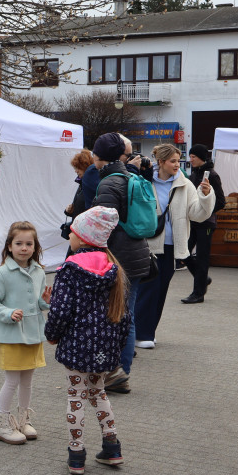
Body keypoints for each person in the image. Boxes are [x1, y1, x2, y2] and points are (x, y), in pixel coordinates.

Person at [45, 206, 130, 475]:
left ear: (82, 238)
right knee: (99, 392)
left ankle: (76, 453)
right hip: (104, 347)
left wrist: (52, 335)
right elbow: (125, 316)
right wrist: (117, 345)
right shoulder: (113, 268)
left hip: (76, 346)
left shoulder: (69, 270)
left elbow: (60, 310)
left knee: (76, 396)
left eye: (72, 231)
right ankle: (112, 447)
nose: (69, 235)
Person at [134, 144, 213, 348]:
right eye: (173, 161)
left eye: (179, 161)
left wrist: (205, 195)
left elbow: (197, 214)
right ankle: (142, 334)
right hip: (147, 245)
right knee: (147, 290)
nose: (177, 165)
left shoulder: (185, 184)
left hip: (170, 246)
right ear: (160, 162)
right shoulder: (144, 181)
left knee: (160, 291)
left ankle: (148, 331)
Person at [90, 133, 152, 394]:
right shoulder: (130, 176)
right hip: (138, 254)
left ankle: (118, 374)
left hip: (118, 258)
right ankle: (119, 372)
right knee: (128, 315)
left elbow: (102, 226)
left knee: (118, 316)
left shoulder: (109, 183)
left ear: (99, 156)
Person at [0, 221, 51, 445]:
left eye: (29, 243)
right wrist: (8, 313)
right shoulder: (2, 273)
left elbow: (38, 301)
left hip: (33, 334)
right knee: (11, 381)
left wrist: (46, 302)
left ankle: (23, 420)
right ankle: (2, 424)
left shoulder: (39, 271)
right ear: (9, 246)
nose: (24, 248)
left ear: (35, 246)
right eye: (19, 243)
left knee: (28, 381)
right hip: (12, 335)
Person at [184, 144, 224, 304]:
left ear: (201, 157)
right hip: (193, 222)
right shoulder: (194, 174)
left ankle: (198, 293)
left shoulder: (212, 175)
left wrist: (205, 212)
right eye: (190, 156)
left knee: (202, 258)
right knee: (184, 252)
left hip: (206, 224)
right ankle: (203, 279)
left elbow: (221, 201)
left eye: (193, 156)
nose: (190, 159)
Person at [65, 149, 95, 221]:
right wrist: (69, 211)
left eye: (78, 167)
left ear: (85, 166)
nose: (76, 170)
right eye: (75, 167)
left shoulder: (91, 186)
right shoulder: (82, 184)